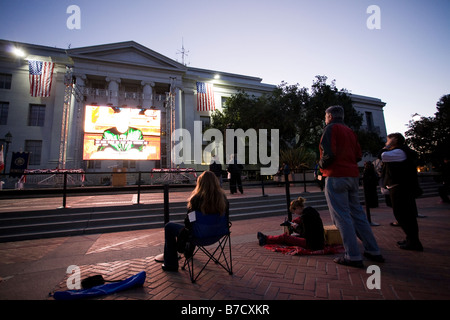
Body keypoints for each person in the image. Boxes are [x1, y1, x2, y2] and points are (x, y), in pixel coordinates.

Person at [319, 105, 384, 268]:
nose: (325, 118)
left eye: (325, 116)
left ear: (330, 116)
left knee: (341, 216)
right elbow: (357, 155)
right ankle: (373, 249)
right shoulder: (350, 131)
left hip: (335, 175)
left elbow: (328, 154)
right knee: (358, 214)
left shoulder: (330, 129)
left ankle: (353, 255)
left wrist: (320, 166)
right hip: (352, 175)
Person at [161, 171, 229, 271]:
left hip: (199, 236)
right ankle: (188, 252)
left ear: (200, 183)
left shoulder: (196, 199)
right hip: (218, 234)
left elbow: (189, 222)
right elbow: (225, 218)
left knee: (170, 226)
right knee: (194, 227)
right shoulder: (223, 199)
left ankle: (171, 264)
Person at [380, 132, 423, 251]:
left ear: (395, 140)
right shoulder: (401, 151)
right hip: (400, 186)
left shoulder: (400, 151)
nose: (386, 142)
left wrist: (386, 147)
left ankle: (414, 241)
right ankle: (411, 239)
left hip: (400, 187)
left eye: (388, 140)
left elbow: (382, 155)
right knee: (404, 215)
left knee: (403, 215)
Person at [257, 197, 325, 251]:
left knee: (285, 237)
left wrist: (296, 227)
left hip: (312, 244)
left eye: (294, 211)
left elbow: (305, 234)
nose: (295, 213)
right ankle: (267, 238)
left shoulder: (305, 217)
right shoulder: (310, 211)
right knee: (290, 237)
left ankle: (265, 239)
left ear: (298, 208)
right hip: (318, 241)